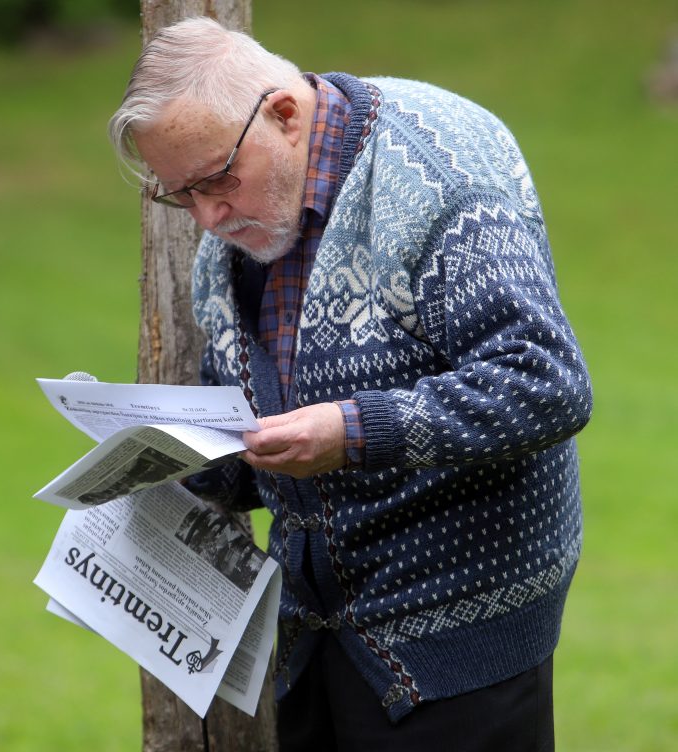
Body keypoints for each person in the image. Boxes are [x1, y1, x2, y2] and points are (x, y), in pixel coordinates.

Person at [109, 17, 592, 752]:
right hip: (318, 635)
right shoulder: (239, 234)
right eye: (181, 195)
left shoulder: (438, 174)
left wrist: (353, 432)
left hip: (462, 640)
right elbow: (259, 454)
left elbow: (545, 381)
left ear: (285, 114)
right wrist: (153, 466)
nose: (207, 217)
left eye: (217, 181)